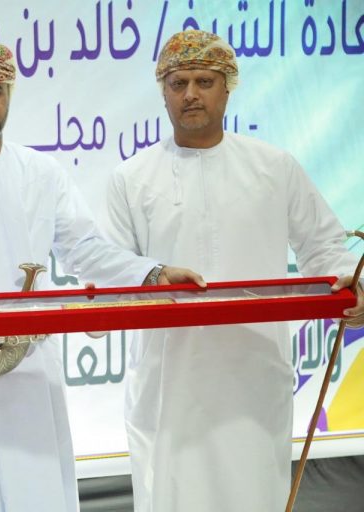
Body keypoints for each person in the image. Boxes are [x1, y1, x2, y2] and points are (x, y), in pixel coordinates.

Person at [0, 42, 204, 512]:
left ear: (9, 94)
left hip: (32, 370)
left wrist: (151, 274)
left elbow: (84, 249)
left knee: (41, 493)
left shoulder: (42, 173)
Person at [100, 30, 364, 511]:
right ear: (163, 92)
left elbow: (324, 246)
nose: (191, 94)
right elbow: (110, 270)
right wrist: (148, 276)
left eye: (204, 81)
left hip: (252, 377)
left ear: (228, 88)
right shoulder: (131, 178)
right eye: (178, 83)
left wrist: (350, 286)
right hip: (169, 385)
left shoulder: (273, 168)